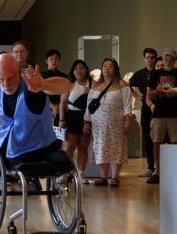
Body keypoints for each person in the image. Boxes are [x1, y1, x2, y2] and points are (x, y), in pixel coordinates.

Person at [0, 53, 73, 172]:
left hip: (39, 148)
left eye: (10, 78)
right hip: (9, 149)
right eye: (1, 79)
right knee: (2, 161)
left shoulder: (31, 82)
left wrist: (43, 85)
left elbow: (66, 85)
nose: (6, 84)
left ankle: (20, 185)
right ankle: (14, 185)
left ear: (19, 72)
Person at [83, 58, 132, 186]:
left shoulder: (122, 84)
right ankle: (103, 177)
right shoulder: (95, 86)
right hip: (98, 125)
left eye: (110, 66)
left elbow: (127, 105)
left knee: (116, 147)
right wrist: (87, 121)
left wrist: (128, 119)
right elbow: (89, 105)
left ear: (115, 69)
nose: (107, 68)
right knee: (100, 147)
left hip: (116, 123)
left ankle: (115, 177)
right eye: (104, 66)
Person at [145, 47, 177, 184]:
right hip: (159, 113)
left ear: (175, 60)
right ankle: (158, 171)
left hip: (174, 113)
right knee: (156, 141)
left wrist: (173, 93)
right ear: (162, 59)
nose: (168, 62)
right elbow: (149, 94)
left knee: (175, 141)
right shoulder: (156, 74)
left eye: (170, 59)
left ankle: (173, 170)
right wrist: (157, 92)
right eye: (166, 59)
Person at [129, 48, 157, 178]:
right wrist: (136, 95)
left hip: (159, 108)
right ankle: (150, 166)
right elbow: (127, 85)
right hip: (146, 109)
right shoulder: (140, 73)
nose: (150, 59)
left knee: (160, 138)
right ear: (144, 58)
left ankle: (161, 166)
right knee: (147, 137)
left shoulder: (159, 73)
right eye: (147, 57)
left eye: (152, 57)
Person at [60, 59, 91, 175]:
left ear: (86, 69)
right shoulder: (70, 84)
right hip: (72, 117)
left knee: (83, 147)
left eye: (81, 68)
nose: (79, 71)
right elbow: (63, 103)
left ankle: (81, 174)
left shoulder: (94, 83)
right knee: (69, 147)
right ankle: (65, 173)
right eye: (76, 69)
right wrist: (62, 120)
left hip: (87, 118)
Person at [41, 48, 70, 123]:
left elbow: (67, 92)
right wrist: (53, 106)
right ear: (47, 61)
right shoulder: (41, 76)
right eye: (51, 59)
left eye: (56, 59)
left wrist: (59, 106)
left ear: (59, 61)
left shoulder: (64, 76)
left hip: (61, 109)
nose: (54, 61)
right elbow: (39, 93)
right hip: (45, 108)